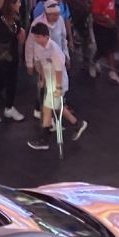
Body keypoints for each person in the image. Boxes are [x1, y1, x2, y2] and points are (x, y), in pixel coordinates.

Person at [24, 21, 85, 150]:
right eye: (35, 37)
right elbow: (40, 64)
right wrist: (42, 79)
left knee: (48, 108)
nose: (36, 39)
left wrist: (57, 88)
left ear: (46, 36)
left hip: (58, 82)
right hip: (49, 80)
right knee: (55, 107)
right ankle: (77, 124)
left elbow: (59, 70)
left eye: (38, 37)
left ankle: (44, 140)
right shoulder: (38, 46)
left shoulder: (55, 50)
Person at [89, 0, 119, 86]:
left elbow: (113, 10)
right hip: (101, 28)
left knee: (110, 49)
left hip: (111, 27)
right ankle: (94, 63)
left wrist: (115, 23)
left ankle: (111, 71)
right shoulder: (97, 0)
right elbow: (95, 15)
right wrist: (106, 20)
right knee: (104, 50)